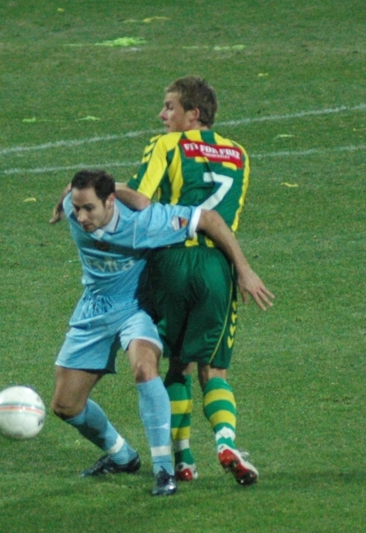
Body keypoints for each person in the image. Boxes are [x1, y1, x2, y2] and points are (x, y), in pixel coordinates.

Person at [51, 168, 269, 496]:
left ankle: (165, 470)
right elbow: (74, 194)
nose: (80, 217)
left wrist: (244, 270)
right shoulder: (72, 206)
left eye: (89, 208)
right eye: (76, 207)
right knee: (65, 406)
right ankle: (123, 457)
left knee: (144, 368)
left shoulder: (145, 222)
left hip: (137, 309)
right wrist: (64, 199)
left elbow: (208, 218)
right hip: (93, 308)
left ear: (110, 201)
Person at [114, 75, 274, 486]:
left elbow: (140, 200)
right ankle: (224, 441)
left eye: (169, 107)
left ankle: (183, 458)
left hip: (171, 261)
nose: (162, 115)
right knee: (214, 369)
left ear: (193, 114)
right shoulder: (239, 153)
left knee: (177, 366)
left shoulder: (166, 145)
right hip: (219, 267)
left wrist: (104, 187)